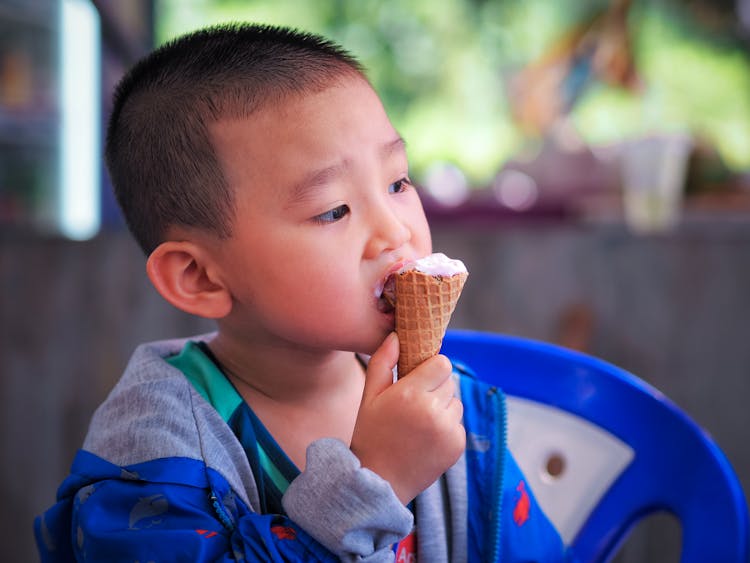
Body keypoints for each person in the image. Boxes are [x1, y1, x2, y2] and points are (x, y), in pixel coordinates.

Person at [35, 23, 566, 562]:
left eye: (398, 183)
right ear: (200, 277)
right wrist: (374, 482)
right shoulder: (155, 446)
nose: (395, 231)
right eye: (333, 210)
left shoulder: (454, 412)